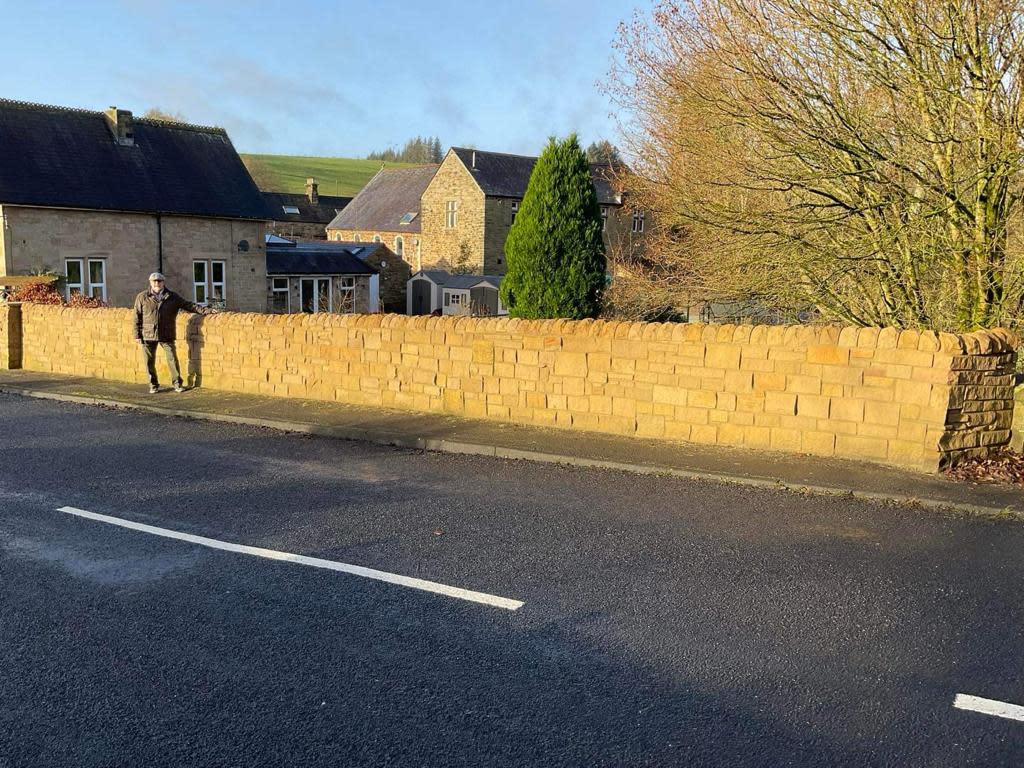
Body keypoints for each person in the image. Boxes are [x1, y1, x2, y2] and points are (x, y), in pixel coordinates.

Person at [133, 272, 216, 393]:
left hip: (167, 333)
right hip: (148, 333)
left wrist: (206, 310)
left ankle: (177, 384)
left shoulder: (172, 296)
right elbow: (136, 317)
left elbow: (188, 305)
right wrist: (137, 334)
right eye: (154, 281)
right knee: (149, 362)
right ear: (150, 282)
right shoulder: (142, 297)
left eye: (159, 281)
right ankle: (153, 385)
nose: (157, 283)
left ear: (163, 282)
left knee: (172, 359)